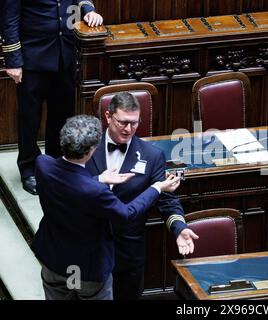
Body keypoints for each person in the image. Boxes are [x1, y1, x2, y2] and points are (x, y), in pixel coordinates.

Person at [32, 115, 183, 300]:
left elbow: (70, 185)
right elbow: (127, 213)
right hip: (87, 269)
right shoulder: (95, 191)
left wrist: (99, 178)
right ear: (90, 151)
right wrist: (156, 187)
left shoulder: (42, 164)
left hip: (52, 259)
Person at [86, 92, 198, 300]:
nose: (128, 129)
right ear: (108, 117)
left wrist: (179, 227)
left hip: (128, 251)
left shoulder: (151, 155)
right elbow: (72, 187)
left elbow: (166, 199)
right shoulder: (87, 148)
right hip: (87, 246)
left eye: (134, 123)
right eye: (123, 123)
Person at [1, 1, 103, 195]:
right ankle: (28, 167)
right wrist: (13, 60)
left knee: (62, 113)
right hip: (33, 56)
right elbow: (9, 20)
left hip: (64, 53)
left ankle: (57, 161)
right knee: (29, 118)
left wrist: (88, 10)